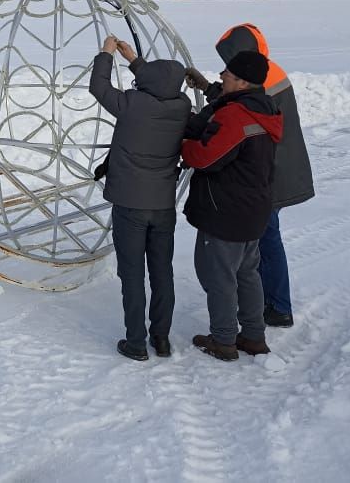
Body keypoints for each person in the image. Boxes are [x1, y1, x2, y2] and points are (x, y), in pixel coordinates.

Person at [185, 23, 314, 328]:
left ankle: (276, 307)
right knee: (261, 242)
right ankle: (264, 310)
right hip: (271, 171)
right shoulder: (266, 73)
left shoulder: (264, 83)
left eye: (229, 64)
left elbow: (237, 113)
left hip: (268, 175)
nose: (225, 70)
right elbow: (238, 98)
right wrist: (207, 86)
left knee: (264, 241)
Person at [89, 35, 191, 362]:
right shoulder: (181, 107)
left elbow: (99, 86)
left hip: (130, 206)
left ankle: (135, 342)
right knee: (162, 272)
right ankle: (160, 338)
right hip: (162, 206)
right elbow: (161, 84)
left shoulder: (131, 105)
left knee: (132, 274)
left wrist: (107, 53)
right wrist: (134, 60)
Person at [182, 50, 283, 360]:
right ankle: (253, 336)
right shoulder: (263, 108)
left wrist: (184, 143)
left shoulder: (236, 116)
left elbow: (204, 157)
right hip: (253, 209)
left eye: (227, 72)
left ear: (241, 81)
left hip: (226, 211)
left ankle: (223, 340)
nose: (222, 75)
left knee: (219, 275)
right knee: (247, 273)